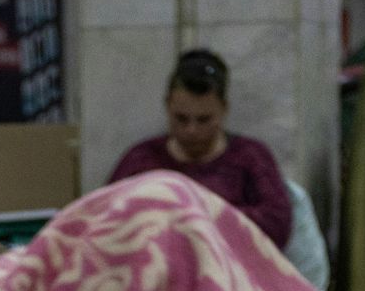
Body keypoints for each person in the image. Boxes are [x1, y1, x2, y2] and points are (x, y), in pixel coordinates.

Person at [107, 49, 294, 250]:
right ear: (167, 105)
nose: (191, 130)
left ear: (224, 109)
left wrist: (200, 215)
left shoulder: (251, 157)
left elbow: (277, 226)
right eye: (181, 119)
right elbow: (106, 220)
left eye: (204, 120)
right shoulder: (141, 160)